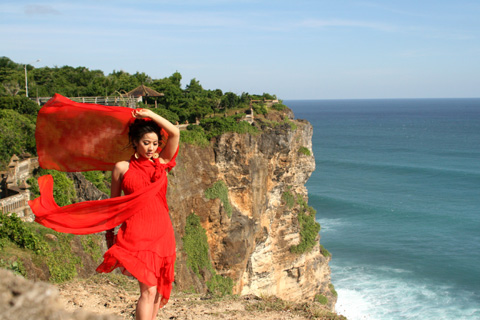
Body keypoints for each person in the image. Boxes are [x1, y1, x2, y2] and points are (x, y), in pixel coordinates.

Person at [97, 108, 180, 320]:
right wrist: (109, 235)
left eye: (155, 143)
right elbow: (113, 206)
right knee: (148, 290)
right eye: (146, 143)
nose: (151, 148)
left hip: (162, 233)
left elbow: (175, 133)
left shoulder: (161, 164)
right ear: (134, 141)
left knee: (157, 291)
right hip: (136, 233)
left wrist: (150, 114)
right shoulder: (121, 168)